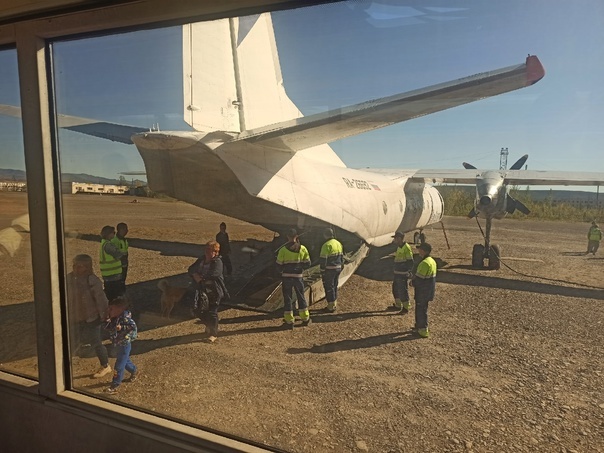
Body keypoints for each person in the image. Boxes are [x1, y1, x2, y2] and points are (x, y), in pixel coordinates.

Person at [66, 254, 112, 378]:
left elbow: (101, 300)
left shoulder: (92, 280)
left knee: (96, 342)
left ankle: (105, 365)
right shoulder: (69, 278)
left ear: (87, 267)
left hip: (91, 317)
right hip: (75, 317)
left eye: (81, 266)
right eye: (75, 265)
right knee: (72, 341)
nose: (77, 268)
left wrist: (104, 315)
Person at [188, 240, 229, 343]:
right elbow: (191, 269)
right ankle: (209, 325)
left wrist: (201, 278)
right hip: (202, 290)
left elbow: (215, 274)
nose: (206, 252)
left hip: (214, 291)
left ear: (215, 252)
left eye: (209, 250)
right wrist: (194, 275)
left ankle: (213, 334)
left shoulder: (218, 262)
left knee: (212, 312)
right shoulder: (201, 259)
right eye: (206, 249)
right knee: (198, 310)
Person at [276, 228, 311, 327]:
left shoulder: (282, 250)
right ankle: (305, 318)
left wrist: (282, 271)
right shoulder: (303, 249)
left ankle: (289, 321)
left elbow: (278, 265)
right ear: (296, 236)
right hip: (298, 277)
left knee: (287, 298)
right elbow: (308, 264)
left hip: (286, 277)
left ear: (287, 237)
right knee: (301, 296)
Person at [104, 297, 138, 394]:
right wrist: (107, 321)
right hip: (118, 343)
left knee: (119, 365)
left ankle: (115, 385)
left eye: (111, 309)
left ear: (120, 309)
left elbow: (133, 328)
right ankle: (134, 370)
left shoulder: (125, 319)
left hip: (124, 344)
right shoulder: (115, 317)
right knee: (125, 360)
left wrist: (121, 327)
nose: (109, 310)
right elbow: (109, 328)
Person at [410, 242, 437, 338]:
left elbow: (419, 279)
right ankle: (419, 327)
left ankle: (422, 330)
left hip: (422, 291)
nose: (418, 251)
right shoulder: (432, 261)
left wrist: (412, 282)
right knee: (422, 309)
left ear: (424, 251)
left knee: (421, 310)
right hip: (428, 290)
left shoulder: (424, 263)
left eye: (420, 249)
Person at [319, 227, 343, 312]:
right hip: (338, 268)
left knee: (329, 287)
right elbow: (341, 256)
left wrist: (322, 271)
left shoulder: (326, 245)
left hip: (330, 269)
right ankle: (334, 303)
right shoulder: (338, 243)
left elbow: (323, 260)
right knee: (335, 285)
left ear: (325, 235)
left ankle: (331, 306)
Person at [99, 225, 125, 301]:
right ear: (108, 234)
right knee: (115, 295)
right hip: (113, 274)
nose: (114, 234)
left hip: (108, 274)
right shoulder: (108, 245)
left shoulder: (103, 243)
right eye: (113, 232)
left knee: (110, 294)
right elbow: (118, 254)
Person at [391, 231, 414, 312]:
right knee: (395, 289)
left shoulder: (406, 248)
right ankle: (398, 305)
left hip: (402, 273)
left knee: (403, 290)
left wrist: (409, 271)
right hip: (397, 272)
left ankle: (406, 307)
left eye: (395, 238)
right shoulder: (399, 247)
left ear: (399, 238)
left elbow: (410, 261)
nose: (394, 240)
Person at [111, 222, 129, 292]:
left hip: (124, 264)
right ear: (120, 230)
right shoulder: (115, 240)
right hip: (118, 265)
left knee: (122, 280)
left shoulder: (124, 240)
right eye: (125, 229)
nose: (127, 231)